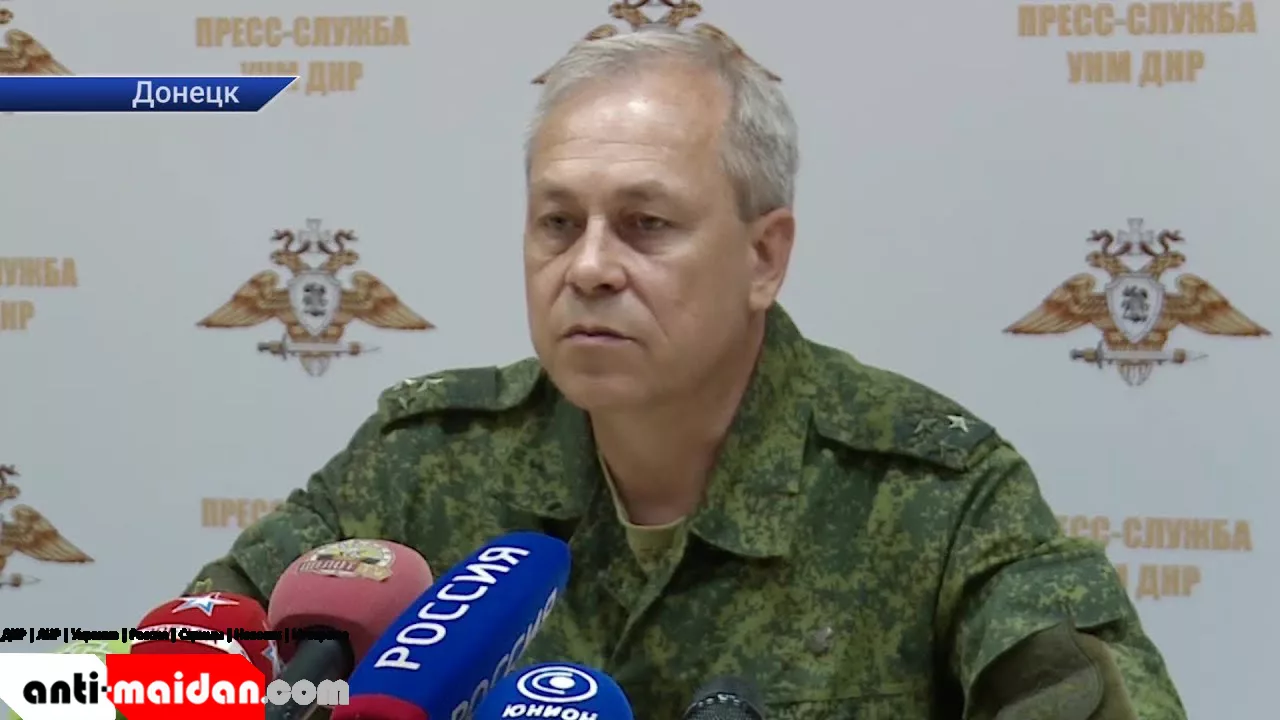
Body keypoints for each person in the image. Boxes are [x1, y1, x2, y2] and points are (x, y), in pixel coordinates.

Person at [187, 27, 1187, 719]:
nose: (588, 266)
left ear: (764, 256)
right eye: (557, 222)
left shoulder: (935, 495)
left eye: (645, 224)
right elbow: (175, 668)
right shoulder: (416, 467)